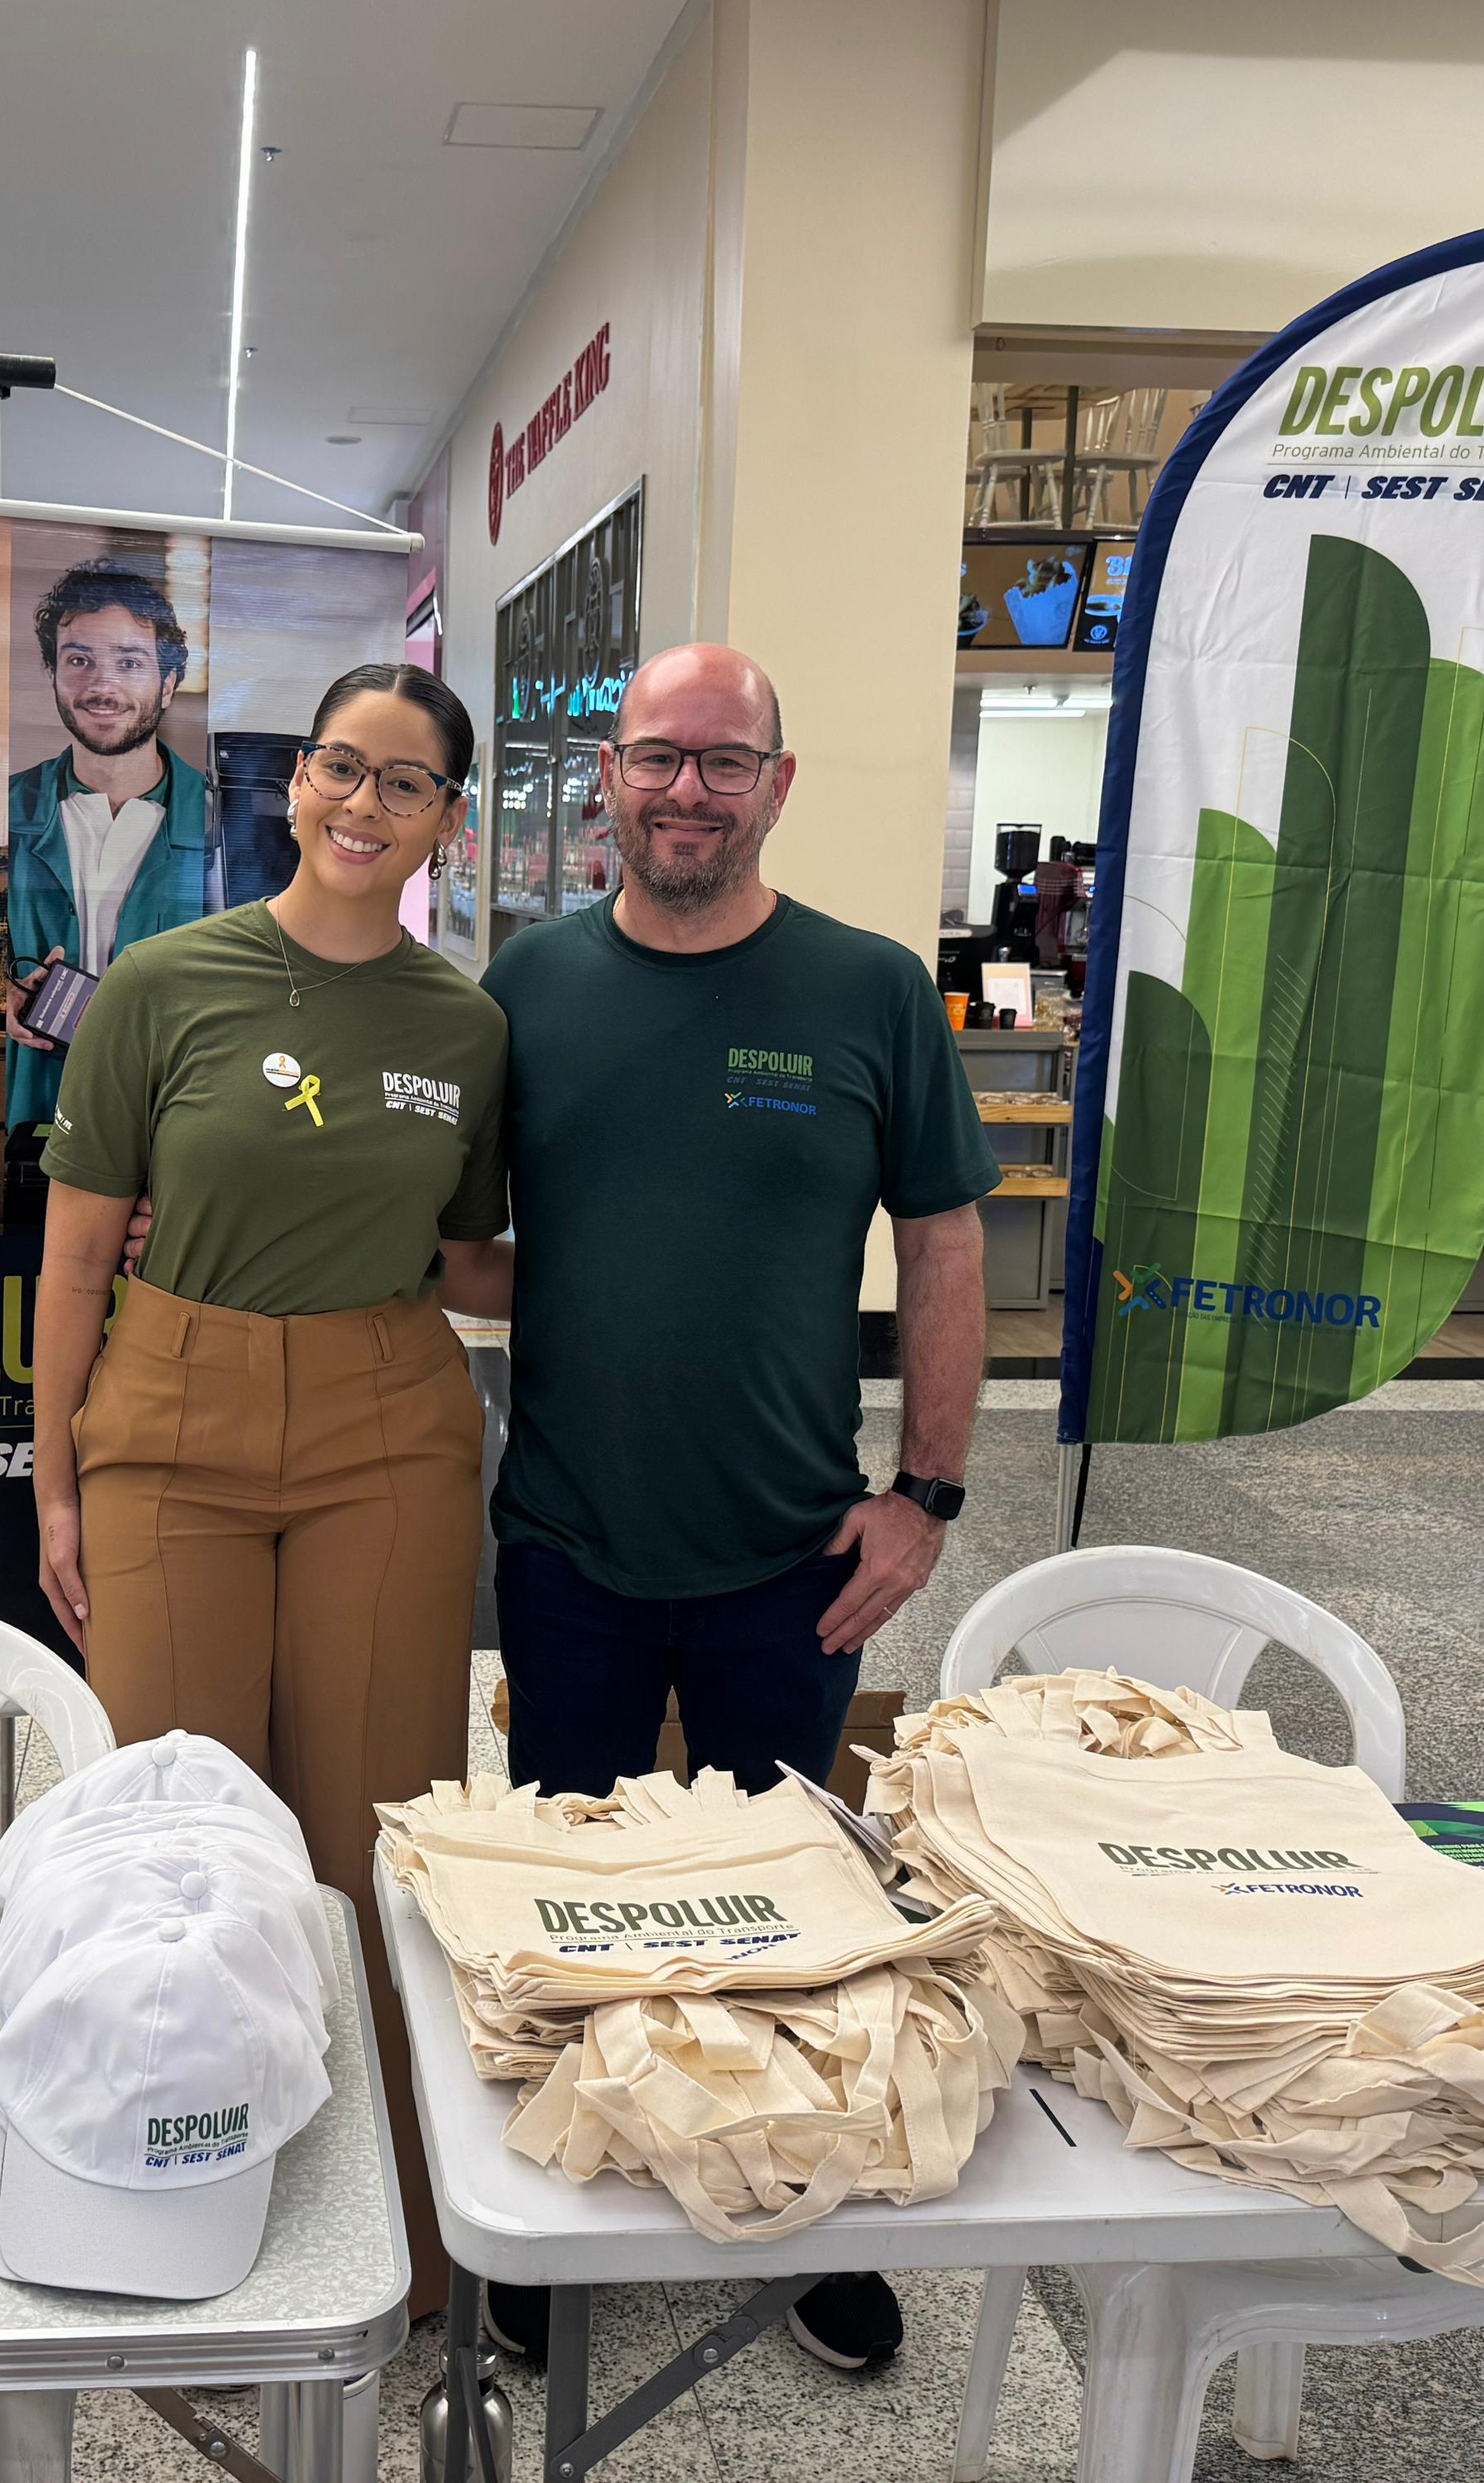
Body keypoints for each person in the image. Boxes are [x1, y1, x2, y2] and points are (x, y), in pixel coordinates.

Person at [467, 641, 997, 2376]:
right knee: (574, 1903)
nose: (685, 790)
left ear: (775, 784)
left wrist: (925, 1495)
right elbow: (456, 1240)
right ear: (607, 777)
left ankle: (803, 2203)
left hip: (793, 1552)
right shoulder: (528, 987)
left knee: (795, 1906)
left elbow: (944, 1245)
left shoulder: (867, 991)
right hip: (569, 1545)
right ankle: (563, 2219)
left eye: (721, 761)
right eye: (656, 758)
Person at [29, 662, 505, 2321]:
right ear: (295, 782)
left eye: (404, 782)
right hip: (171, 1418)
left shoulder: (467, 1025)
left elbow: (466, 1256)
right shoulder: (165, 986)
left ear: (448, 816)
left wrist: (675, 1271)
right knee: (173, 1836)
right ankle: (171, 2216)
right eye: (339, 768)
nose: (363, 805)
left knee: (380, 1834)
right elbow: (72, 1255)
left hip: (387, 1425)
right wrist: (54, 1483)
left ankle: (403, 2238)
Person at [2, 558, 215, 1133]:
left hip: (169, 1125)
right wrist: (0, 995)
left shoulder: (223, 826)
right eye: (79, 660)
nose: (102, 686)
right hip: (33, 1114)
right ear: (52, 674)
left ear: (168, 684)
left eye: (130, 663)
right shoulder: (3, 812)